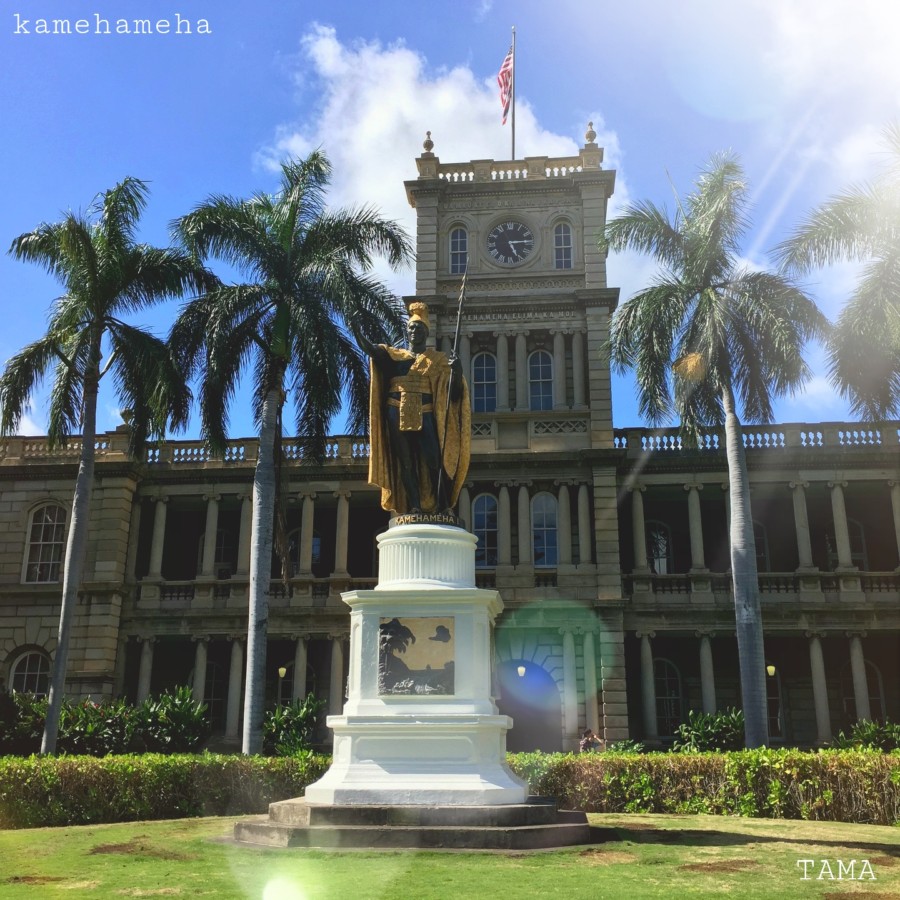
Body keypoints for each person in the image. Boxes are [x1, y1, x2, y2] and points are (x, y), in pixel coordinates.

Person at [359, 302, 470, 516]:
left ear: (426, 333)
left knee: (433, 459)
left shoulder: (437, 360)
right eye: (411, 328)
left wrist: (457, 372)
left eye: (419, 328)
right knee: (406, 461)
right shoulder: (394, 356)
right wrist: (357, 331)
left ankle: (443, 505)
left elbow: (453, 395)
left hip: (426, 410)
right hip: (396, 410)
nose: (414, 332)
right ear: (407, 332)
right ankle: (414, 505)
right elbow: (372, 350)